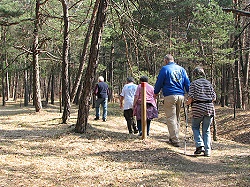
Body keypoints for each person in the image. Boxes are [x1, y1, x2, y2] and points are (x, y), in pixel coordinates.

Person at [154, 54, 190, 147]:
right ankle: (173, 136)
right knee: (176, 118)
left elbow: (159, 82)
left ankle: (175, 139)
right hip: (180, 96)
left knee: (171, 118)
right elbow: (187, 82)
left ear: (166, 60)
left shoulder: (165, 69)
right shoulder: (182, 69)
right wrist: (189, 93)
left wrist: (156, 92)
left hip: (170, 95)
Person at [186, 66, 216, 157]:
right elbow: (214, 97)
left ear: (194, 74)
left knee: (195, 127)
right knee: (206, 130)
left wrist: (187, 103)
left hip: (198, 108)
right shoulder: (209, 83)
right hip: (209, 108)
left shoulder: (193, 84)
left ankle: (199, 145)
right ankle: (207, 151)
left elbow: (190, 98)